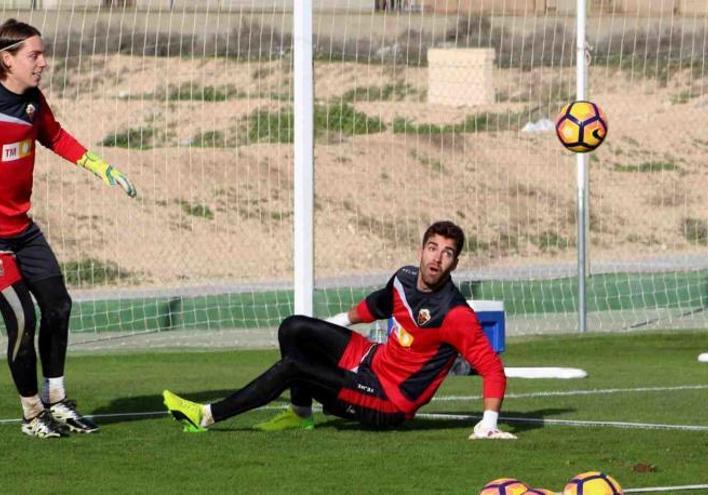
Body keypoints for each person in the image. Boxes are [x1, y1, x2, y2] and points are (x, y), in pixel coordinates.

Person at [163, 220, 516, 440]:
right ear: (421, 250)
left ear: (455, 262)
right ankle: (300, 416)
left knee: (294, 366)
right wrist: (334, 325)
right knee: (295, 328)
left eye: (448, 253)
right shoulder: (404, 277)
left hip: (387, 401)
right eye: (432, 248)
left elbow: (491, 368)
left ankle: (206, 415)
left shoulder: (455, 313)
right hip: (371, 361)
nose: (437, 258)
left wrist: (488, 423)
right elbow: (376, 305)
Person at [0, 19, 137, 437]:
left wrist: (101, 167)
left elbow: (56, 137)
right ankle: (31, 414)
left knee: (58, 306)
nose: (43, 62)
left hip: (23, 231)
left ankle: (57, 401)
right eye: (33, 55)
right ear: (6, 59)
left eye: (42, 53)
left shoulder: (33, 103)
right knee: (23, 321)